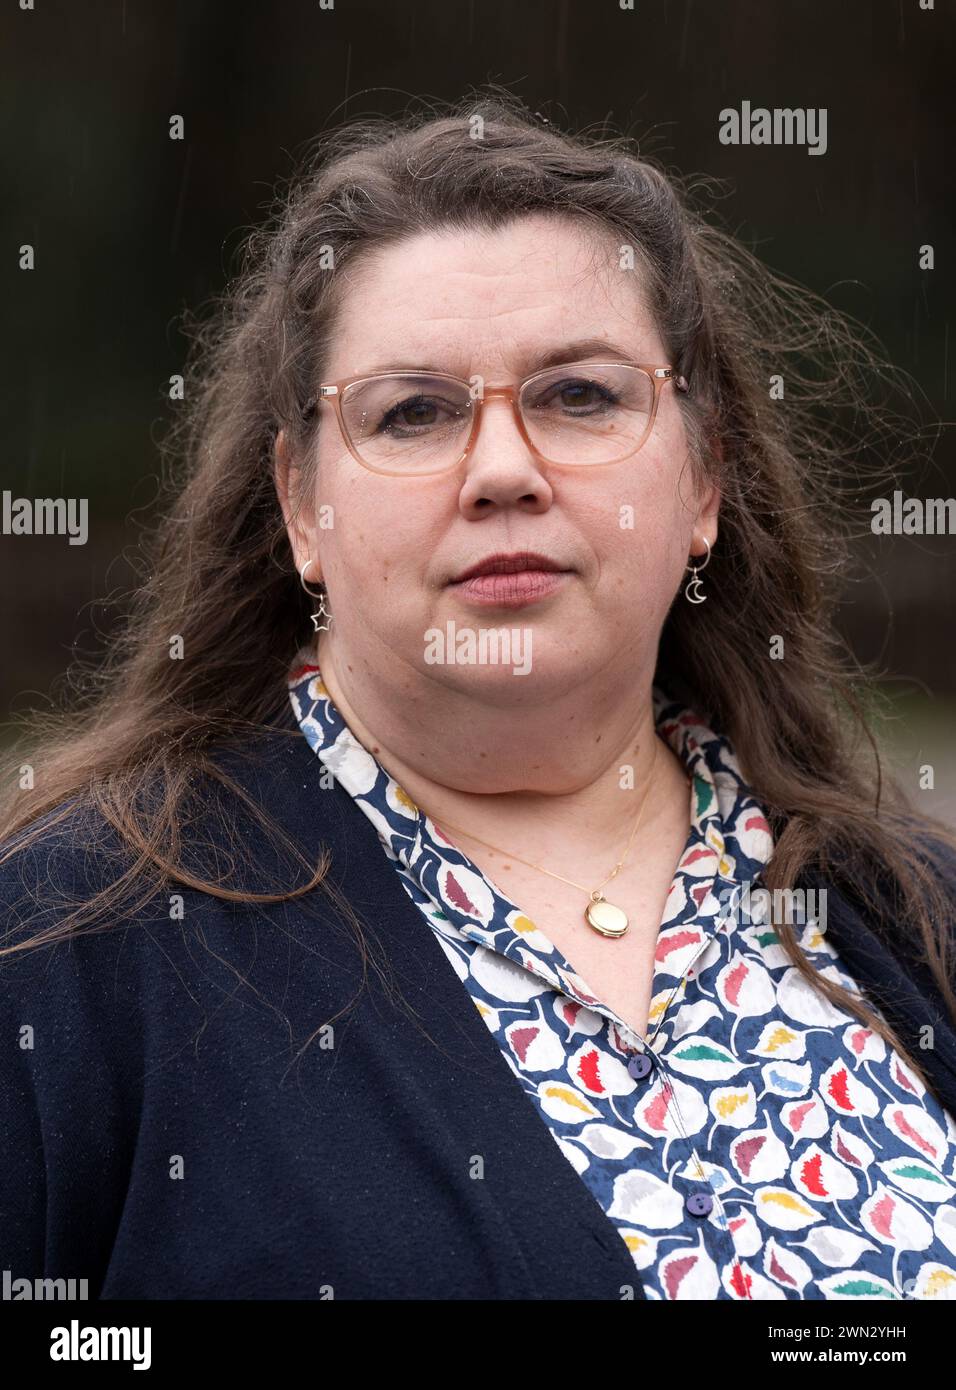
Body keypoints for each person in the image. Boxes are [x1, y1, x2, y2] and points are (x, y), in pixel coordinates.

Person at [2, 89, 956, 1302]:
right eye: (413, 412)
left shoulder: (908, 915)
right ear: (304, 507)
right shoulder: (72, 942)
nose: (502, 469)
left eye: (579, 397)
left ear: (703, 477)